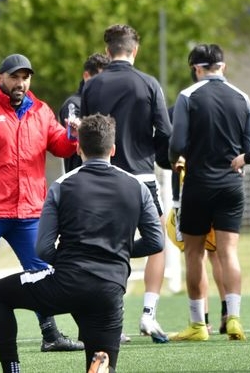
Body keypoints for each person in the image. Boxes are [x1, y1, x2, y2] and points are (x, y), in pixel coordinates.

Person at [0, 113, 164, 373]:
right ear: (113, 149)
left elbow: (43, 249)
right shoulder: (137, 187)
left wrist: (72, 260)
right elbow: (155, 241)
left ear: (79, 148)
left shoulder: (61, 185)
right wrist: (119, 253)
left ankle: (12, 369)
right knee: (102, 360)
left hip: (66, 285)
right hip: (109, 289)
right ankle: (101, 365)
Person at [0, 53, 83, 353]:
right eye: (15, 76)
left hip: (28, 211)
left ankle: (50, 335)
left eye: (25, 77)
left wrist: (74, 134)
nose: (21, 82)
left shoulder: (40, 111)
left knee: (42, 271)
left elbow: (60, 145)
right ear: (0, 77)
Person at [80, 24, 172, 343]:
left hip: (102, 175)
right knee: (157, 241)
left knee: (103, 247)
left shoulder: (93, 86)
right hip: (142, 178)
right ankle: (148, 314)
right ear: (135, 50)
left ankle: (109, 322)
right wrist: (162, 159)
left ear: (108, 51)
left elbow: (88, 131)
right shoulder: (148, 83)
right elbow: (166, 132)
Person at [167, 44, 250, 342]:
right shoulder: (242, 97)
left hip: (198, 184)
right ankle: (233, 318)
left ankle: (198, 324)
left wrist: (178, 156)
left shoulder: (188, 96)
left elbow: (177, 143)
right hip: (231, 184)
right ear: (223, 66)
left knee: (194, 253)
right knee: (229, 252)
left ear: (196, 69)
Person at [59, 52, 110, 173]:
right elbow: (75, 139)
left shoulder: (105, 103)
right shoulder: (73, 104)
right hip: (79, 176)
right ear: (86, 76)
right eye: (101, 80)